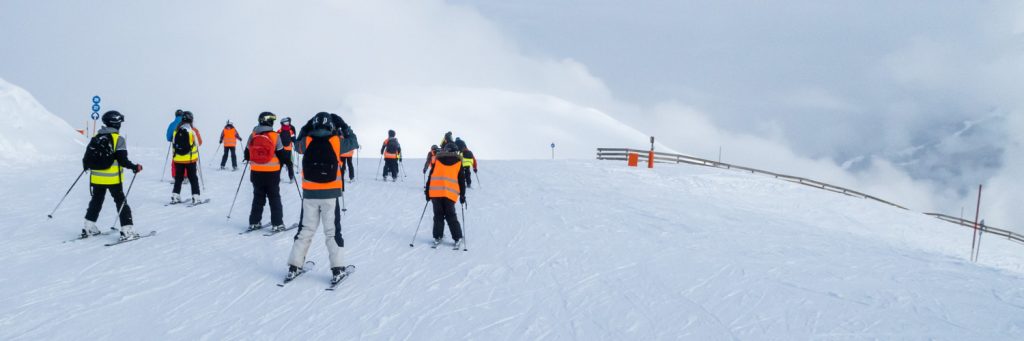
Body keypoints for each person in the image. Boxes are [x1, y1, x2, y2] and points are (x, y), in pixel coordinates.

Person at [286, 112, 354, 284]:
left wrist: (306, 127)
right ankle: (337, 269)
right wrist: (344, 126)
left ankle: (294, 266)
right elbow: (353, 142)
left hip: (309, 194)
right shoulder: (336, 141)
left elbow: (296, 145)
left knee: (305, 230)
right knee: (332, 232)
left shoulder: (307, 141)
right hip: (330, 195)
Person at [83, 110, 143, 241]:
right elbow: (123, 161)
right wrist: (134, 167)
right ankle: (127, 230)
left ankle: (88, 226)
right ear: (116, 123)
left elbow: (87, 158)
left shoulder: (96, 137)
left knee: (96, 201)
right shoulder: (118, 139)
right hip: (113, 179)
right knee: (121, 201)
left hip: (96, 177)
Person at [243, 112, 291, 232]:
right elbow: (282, 155)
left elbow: (246, 154)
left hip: (256, 173)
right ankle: (277, 224)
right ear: (270, 122)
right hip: (272, 174)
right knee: (274, 198)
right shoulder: (275, 136)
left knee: (258, 198)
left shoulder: (252, 135)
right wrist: (287, 162)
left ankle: (254, 222)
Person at [424, 143, 466, 248]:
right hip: (450, 193)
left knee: (438, 215)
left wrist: (427, 192)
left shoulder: (436, 160)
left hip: (435, 193)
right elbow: (461, 180)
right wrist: (462, 195)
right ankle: (457, 237)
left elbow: (431, 176)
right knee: (450, 215)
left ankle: (438, 236)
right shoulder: (458, 162)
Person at [170, 111, 202, 204]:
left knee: (178, 178)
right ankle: (195, 197)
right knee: (193, 178)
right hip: (190, 159)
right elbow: (199, 142)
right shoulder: (193, 130)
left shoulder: (176, 130)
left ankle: (175, 196)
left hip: (178, 159)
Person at [278, 117, 297, 184]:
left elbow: (276, 141)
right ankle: (291, 178)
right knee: (289, 164)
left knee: (280, 164)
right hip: (288, 150)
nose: (287, 124)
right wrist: (296, 145)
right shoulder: (290, 131)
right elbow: (294, 139)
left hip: (281, 150)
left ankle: (277, 178)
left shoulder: (279, 131)